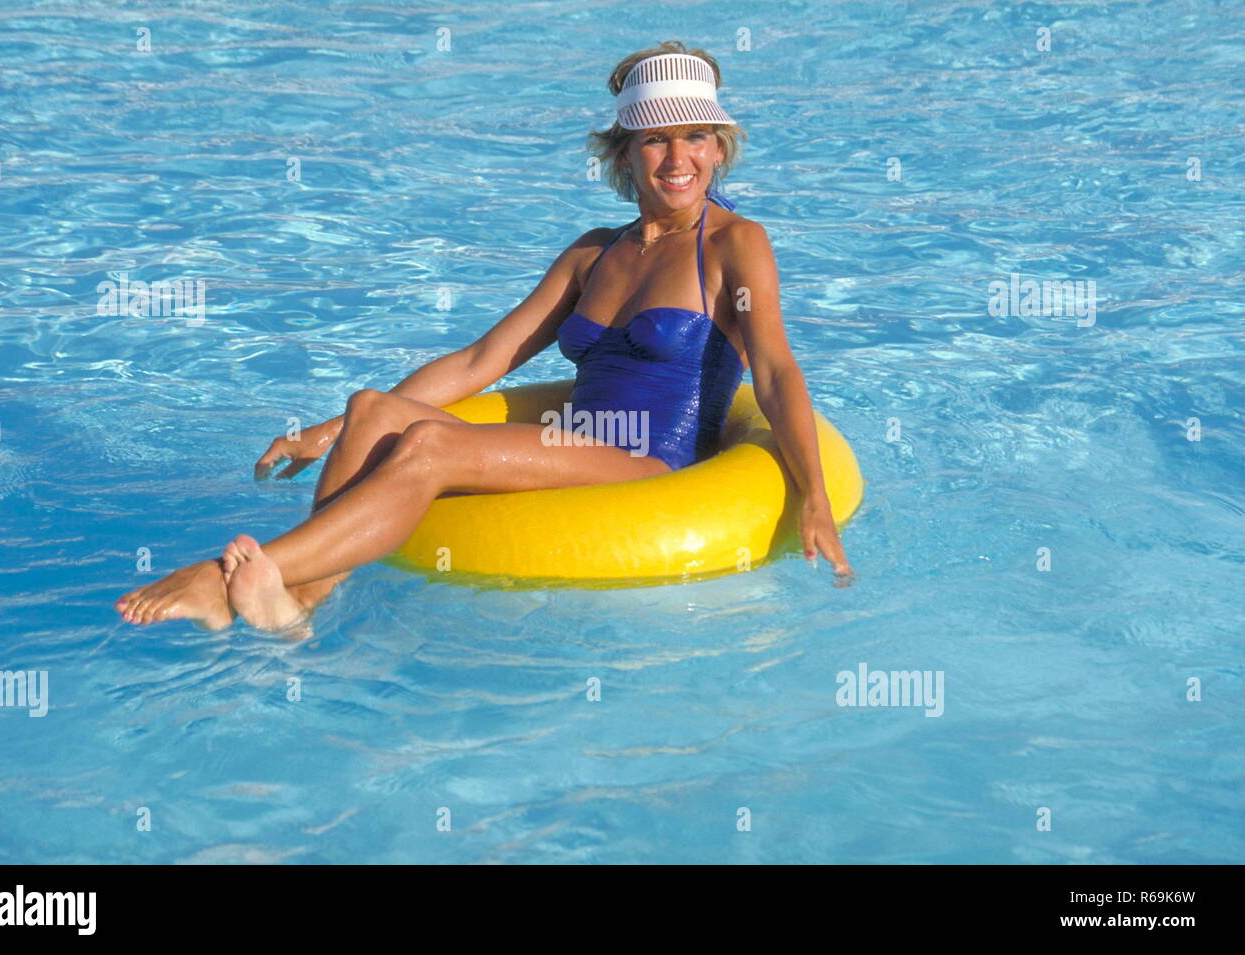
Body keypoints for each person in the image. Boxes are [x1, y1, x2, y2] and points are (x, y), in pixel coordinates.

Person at [115, 42, 853, 633]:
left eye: (696, 136)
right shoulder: (594, 253)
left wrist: (813, 492)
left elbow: (777, 371)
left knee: (431, 447)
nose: (678, 158)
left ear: (720, 148)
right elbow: (484, 359)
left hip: (649, 464)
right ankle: (298, 604)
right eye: (656, 139)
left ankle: (223, 580)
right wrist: (326, 432)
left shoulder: (733, 244)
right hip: (576, 440)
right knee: (374, 409)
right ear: (624, 153)